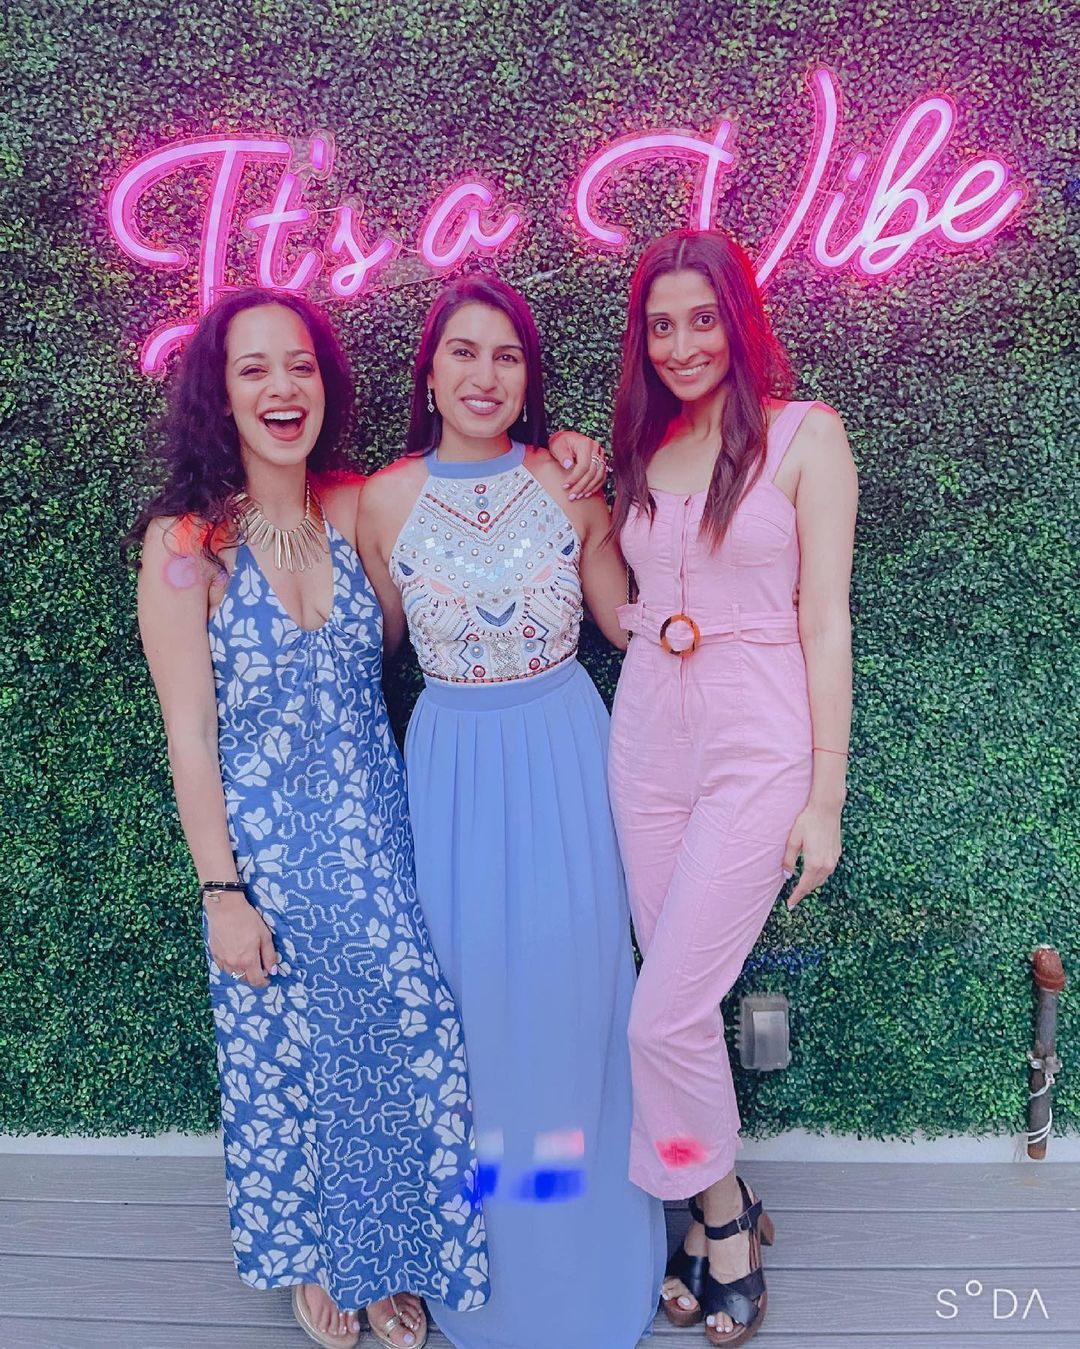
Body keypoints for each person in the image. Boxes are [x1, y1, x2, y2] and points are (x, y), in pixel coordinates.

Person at [131, 288, 487, 1349]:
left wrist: (566, 456)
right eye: (253, 369)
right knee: (298, 1064)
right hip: (269, 859)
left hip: (379, 838)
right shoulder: (187, 545)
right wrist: (222, 894)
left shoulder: (352, 508)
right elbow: (190, 733)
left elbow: (464, 472)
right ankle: (325, 1260)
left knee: (405, 1035)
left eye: (299, 366)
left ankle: (387, 1251)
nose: (282, 387)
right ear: (219, 394)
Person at [356, 274, 666, 1349]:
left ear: (529, 380)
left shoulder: (568, 484)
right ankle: (497, 1262)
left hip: (567, 762)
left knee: (581, 1009)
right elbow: (369, 651)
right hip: (451, 776)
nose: (484, 375)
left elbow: (626, 623)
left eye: (507, 356)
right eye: (463, 352)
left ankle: (586, 1261)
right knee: (477, 1022)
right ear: (429, 372)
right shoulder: (382, 501)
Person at [607, 229, 857, 1347]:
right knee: (682, 1002)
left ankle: (720, 1223)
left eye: (702, 319)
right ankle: (729, 1197)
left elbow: (824, 619)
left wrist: (825, 796)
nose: (681, 344)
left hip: (758, 742)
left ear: (740, 322)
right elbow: (615, 582)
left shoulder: (807, 437)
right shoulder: (644, 444)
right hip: (645, 740)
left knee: (660, 1011)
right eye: (661, 325)